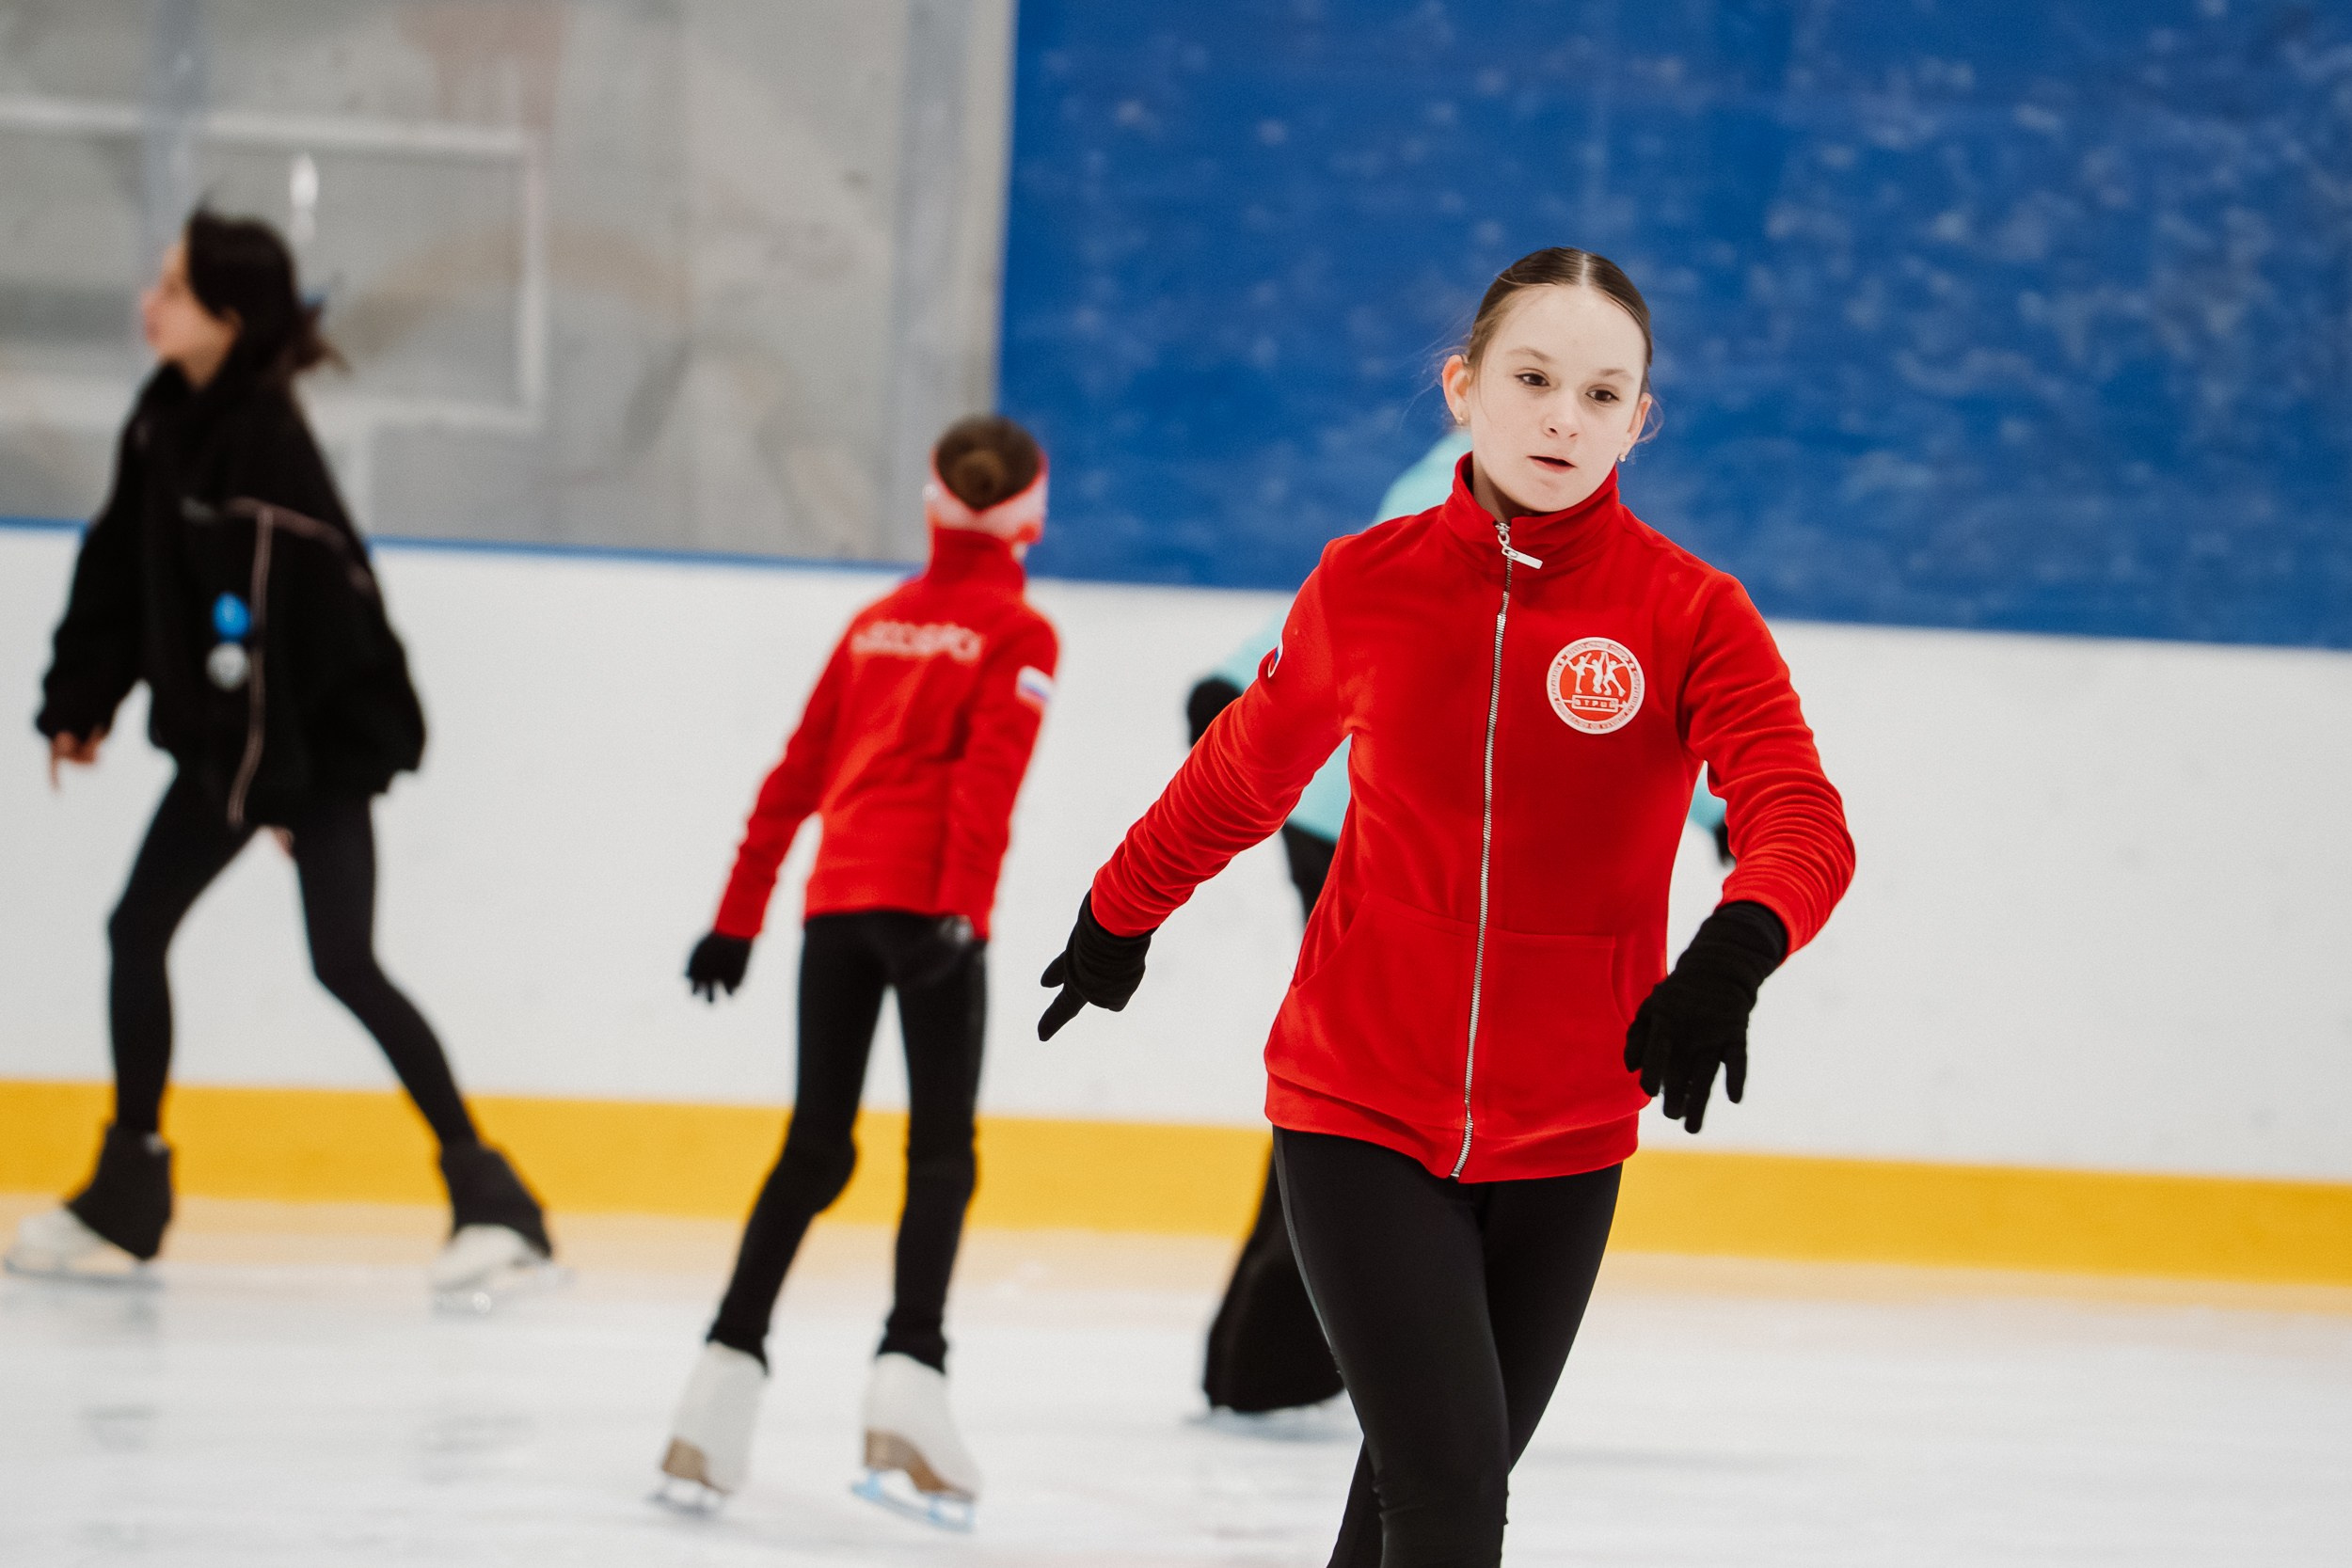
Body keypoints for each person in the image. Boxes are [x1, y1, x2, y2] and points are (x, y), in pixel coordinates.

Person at [1037, 247, 1854, 1565]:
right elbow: (1244, 770)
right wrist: (1118, 912)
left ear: (1638, 421)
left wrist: (1736, 946)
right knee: (1451, 1490)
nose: (1562, 417)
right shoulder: (1366, 582)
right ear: (1462, 388)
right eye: (1532, 379)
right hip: (1357, 1103)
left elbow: (1797, 811)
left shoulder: (1692, 613)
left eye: (1601, 394)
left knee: (1410, 1495)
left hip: (1570, 1128)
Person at [8, 210, 551, 1302]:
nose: (149, 303)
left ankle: (496, 1203)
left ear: (227, 316)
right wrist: (80, 699)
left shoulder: (263, 447)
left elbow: (288, 639)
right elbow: (118, 563)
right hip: (239, 745)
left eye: (173, 288)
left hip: (319, 745)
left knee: (343, 961)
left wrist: (279, 794)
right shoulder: (167, 416)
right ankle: (127, 1190)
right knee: (138, 929)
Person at [1186, 427, 1727, 1417]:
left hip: (1354, 807)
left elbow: (1578, 680)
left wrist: (1230, 688)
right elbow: (1545, 670)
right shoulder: (1501, 487)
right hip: (1383, 822)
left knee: (1360, 1085)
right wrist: (1716, 806)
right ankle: (1289, 1356)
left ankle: (1270, 1356)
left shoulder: (1471, 474)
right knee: (1376, 1094)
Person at [660, 416, 1059, 1528]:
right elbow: (987, 782)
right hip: (929, 911)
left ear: (935, 501)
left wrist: (736, 917)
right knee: (940, 1152)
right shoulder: (1020, 631)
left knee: (814, 1145)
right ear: (1030, 513)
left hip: (835, 905)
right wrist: (964, 912)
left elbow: (796, 772)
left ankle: (716, 1387)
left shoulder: (875, 623)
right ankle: (909, 1378)